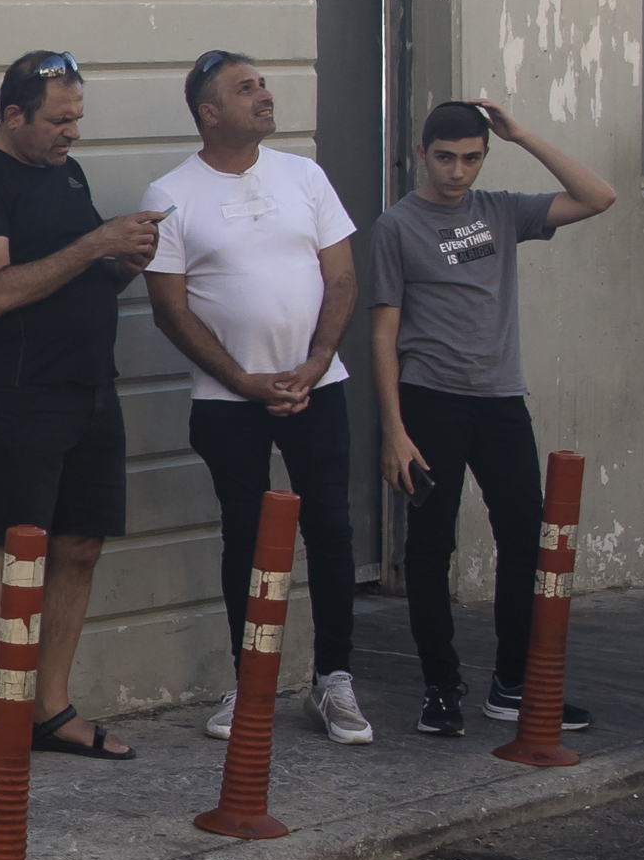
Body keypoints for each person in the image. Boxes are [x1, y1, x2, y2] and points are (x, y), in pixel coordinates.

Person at [0, 50, 164, 762]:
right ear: (12, 114)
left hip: (89, 388)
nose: (72, 134)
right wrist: (96, 241)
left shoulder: (66, 173)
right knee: (17, 553)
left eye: (78, 119)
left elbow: (77, 280)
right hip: (18, 397)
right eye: (59, 121)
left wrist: (120, 267)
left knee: (79, 548)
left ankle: (48, 709)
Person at [363, 97, 614, 738]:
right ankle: (440, 688)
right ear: (422, 154)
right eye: (445, 158)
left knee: (525, 539)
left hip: (501, 399)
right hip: (430, 400)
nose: (457, 172)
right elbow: (383, 333)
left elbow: (598, 196)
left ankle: (513, 684)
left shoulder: (501, 211)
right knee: (431, 548)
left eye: (471, 158)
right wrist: (394, 430)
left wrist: (523, 134)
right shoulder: (396, 226)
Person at [143, 51, 370, 745]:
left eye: (262, 84)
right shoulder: (170, 194)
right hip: (225, 399)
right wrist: (241, 380)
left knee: (329, 528)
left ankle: (333, 681)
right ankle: (251, 684)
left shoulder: (304, 176)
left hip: (316, 388)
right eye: (246, 89)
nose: (264, 96)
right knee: (244, 536)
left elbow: (341, 277)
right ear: (208, 113)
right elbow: (169, 308)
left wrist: (316, 361)